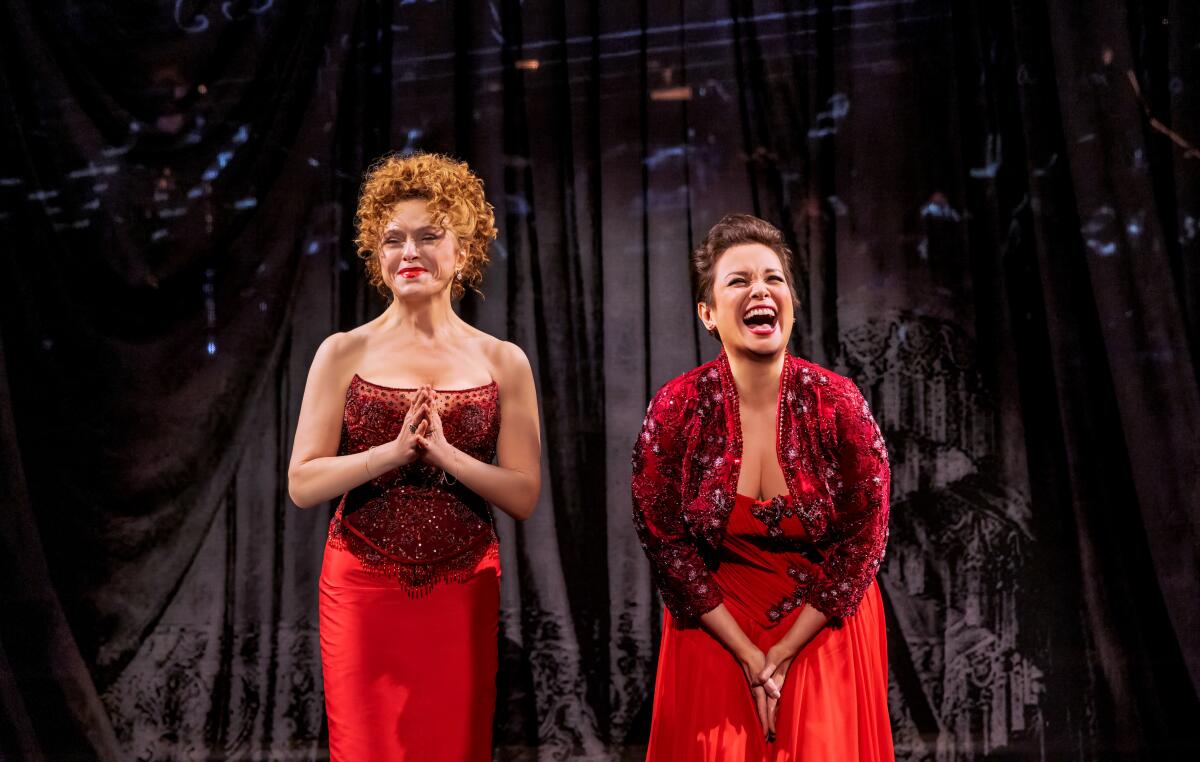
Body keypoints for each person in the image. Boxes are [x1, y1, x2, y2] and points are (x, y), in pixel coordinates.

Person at [287, 152, 541, 761]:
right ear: (376, 254)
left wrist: (447, 455)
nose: (410, 252)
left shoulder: (502, 360)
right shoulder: (342, 351)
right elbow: (302, 481)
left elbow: (523, 495)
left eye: (429, 236)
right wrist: (390, 453)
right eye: (393, 238)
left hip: (463, 589)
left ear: (464, 246)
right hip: (362, 589)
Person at [632, 214, 893, 760]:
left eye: (773, 278)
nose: (761, 290)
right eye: (739, 280)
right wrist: (749, 655)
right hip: (715, 614)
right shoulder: (676, 408)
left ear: (791, 302)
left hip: (823, 612)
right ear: (707, 314)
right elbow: (666, 544)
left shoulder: (838, 402)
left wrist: (784, 652)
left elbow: (863, 542)